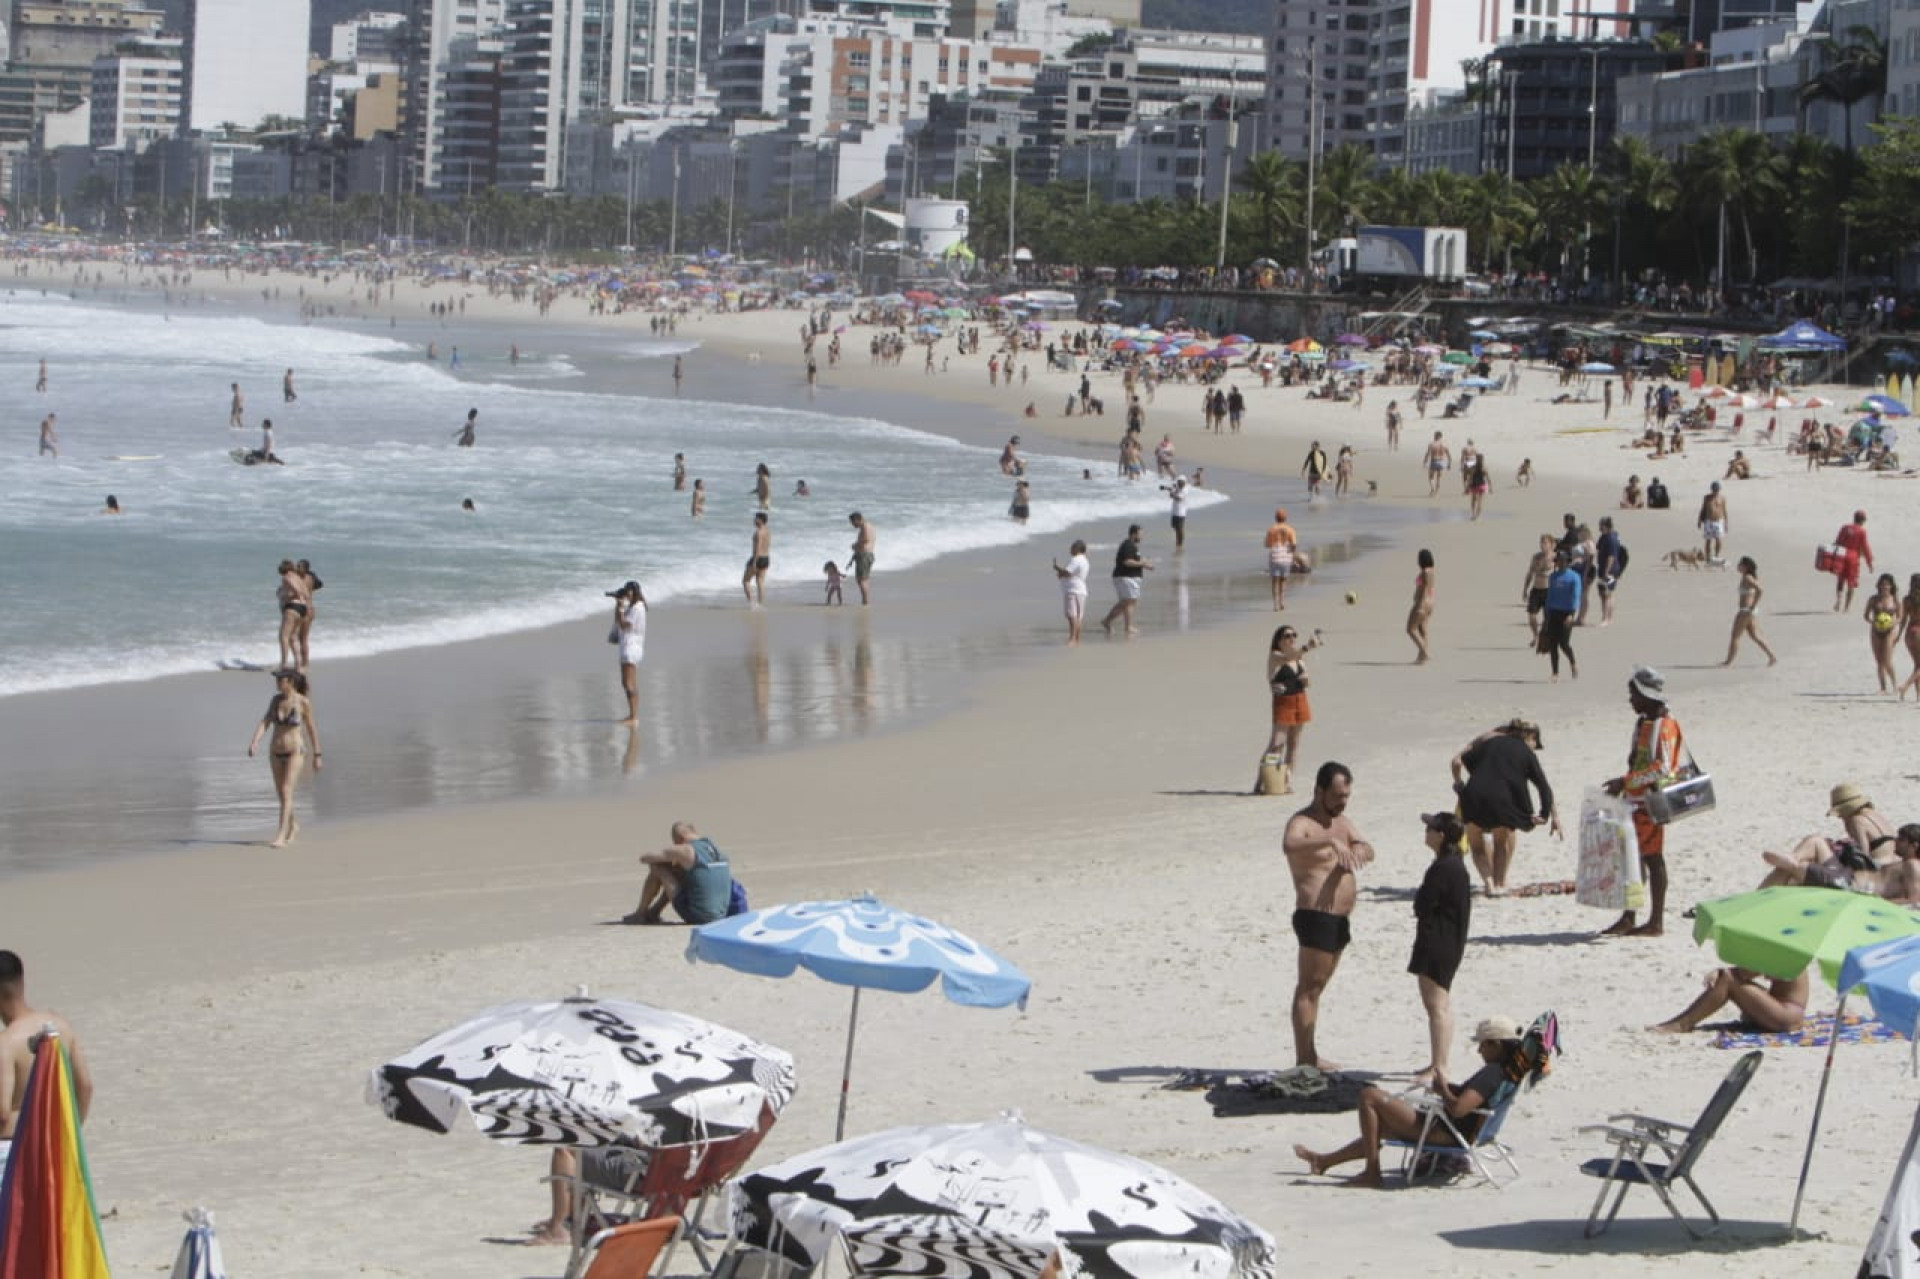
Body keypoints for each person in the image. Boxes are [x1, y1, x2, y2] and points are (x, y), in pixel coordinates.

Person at [1292, 1017, 1519, 1188]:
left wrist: (1442, 1091)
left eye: (1483, 1044)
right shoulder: (1507, 1072)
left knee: (1369, 1095)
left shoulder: (1492, 1073)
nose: (1479, 1050)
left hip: (1446, 1131)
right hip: (1459, 1130)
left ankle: (1372, 1174)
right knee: (1376, 1128)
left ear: (1497, 1044)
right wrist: (1447, 1089)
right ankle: (1323, 1162)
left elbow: (1459, 1109)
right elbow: (1470, 1100)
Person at [1283, 762, 1375, 1070]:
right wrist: (1328, 841)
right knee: (1308, 988)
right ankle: (1304, 1058)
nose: (1342, 802)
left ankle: (1311, 1055)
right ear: (1319, 791)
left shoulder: (1343, 822)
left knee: (1318, 988)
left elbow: (1367, 847)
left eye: (1346, 795)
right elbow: (1290, 844)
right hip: (1315, 915)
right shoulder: (1303, 822)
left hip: (1339, 919)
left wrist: (1360, 850)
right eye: (1336, 795)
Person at [1601, 666, 1682, 938]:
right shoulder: (1644, 722)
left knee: (1653, 859)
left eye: (1634, 694)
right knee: (1632, 859)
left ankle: (1655, 921)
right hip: (1635, 800)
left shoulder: (1664, 724)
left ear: (1647, 695)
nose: (1631, 700)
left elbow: (1663, 768)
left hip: (1650, 802)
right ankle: (1629, 916)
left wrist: (1625, 782)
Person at [0, 950, 94, 1157]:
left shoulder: (5, 1043)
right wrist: (65, 1130)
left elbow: (3, 1115)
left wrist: (36, 1122)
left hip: (14, 1153)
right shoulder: (61, 1025)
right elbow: (85, 1086)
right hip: (57, 1149)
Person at [1451, 719, 1559, 896]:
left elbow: (1457, 762)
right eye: (1535, 744)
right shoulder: (1524, 752)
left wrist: (1459, 785)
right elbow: (1543, 786)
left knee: (1476, 845)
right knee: (1500, 843)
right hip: (1502, 802)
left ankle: (1489, 884)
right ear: (1530, 736)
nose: (1534, 748)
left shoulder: (1487, 740)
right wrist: (1545, 814)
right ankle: (1499, 885)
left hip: (1472, 796)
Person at [1409, 812, 1473, 1082]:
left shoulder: (1444, 867)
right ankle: (1438, 1062)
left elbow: (1423, 905)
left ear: (1441, 835)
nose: (1427, 831)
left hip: (1438, 941)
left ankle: (1440, 1066)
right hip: (1448, 941)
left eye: (1431, 828)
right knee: (1440, 1004)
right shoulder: (1454, 865)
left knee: (1437, 1006)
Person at [1759, 783, 1900, 888]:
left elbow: (1862, 856)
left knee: (1813, 845)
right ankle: (1793, 859)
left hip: (1870, 875)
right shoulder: (1876, 816)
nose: (1840, 818)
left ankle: (1793, 860)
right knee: (1817, 845)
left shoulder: (1855, 821)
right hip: (1887, 870)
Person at [245, 668, 321, 848]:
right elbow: (265, 722)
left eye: (281, 679)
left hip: (296, 751)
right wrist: (254, 741)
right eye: (277, 679)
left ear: (291, 682)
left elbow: (311, 729)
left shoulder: (303, 702)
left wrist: (317, 754)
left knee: (286, 790)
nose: (277, 683)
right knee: (282, 794)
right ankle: (293, 825)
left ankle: (281, 834)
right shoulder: (275, 700)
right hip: (275, 752)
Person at [620, 821, 733, 925]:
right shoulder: (716, 850)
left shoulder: (686, 850)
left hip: (699, 917)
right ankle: (654, 912)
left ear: (680, 839)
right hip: (720, 915)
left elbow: (645, 858)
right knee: (681, 871)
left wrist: (672, 858)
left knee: (658, 867)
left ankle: (640, 914)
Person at [1649, 965, 1809, 1035]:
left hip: (1787, 1016)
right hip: (1786, 1010)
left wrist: (1720, 971)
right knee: (1729, 978)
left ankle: (1682, 1024)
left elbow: (1746, 972)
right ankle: (1683, 1023)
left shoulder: (1787, 951)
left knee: (1727, 979)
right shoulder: (1791, 946)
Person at [1260, 625, 1323, 796]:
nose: (1291, 638)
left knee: (1294, 744)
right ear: (1278, 640)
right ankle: (1262, 779)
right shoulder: (1276, 656)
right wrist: (1307, 647)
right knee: (1277, 743)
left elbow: (1308, 681)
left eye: (1294, 635)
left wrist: (1306, 680)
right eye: (1287, 635)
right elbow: (1289, 657)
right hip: (1283, 702)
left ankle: (1286, 781)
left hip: (1300, 700)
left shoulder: (1299, 659)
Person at [1722, 557, 1778, 667]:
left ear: (1745, 567)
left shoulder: (1747, 578)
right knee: (1755, 636)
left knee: (1735, 636)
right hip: (1749, 611)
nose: (1738, 566)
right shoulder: (1747, 577)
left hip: (1745, 611)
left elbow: (1760, 590)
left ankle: (1728, 662)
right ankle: (1772, 657)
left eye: (1740, 564)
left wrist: (1753, 605)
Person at [1537, 551, 1581, 682]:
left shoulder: (1574, 577)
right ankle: (1555, 673)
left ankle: (1573, 663)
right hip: (1553, 612)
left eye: (1563, 561)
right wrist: (1546, 615)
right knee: (1553, 644)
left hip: (1566, 613)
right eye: (1559, 561)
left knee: (1564, 643)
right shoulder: (1553, 577)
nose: (1561, 563)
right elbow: (1550, 596)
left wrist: (1571, 614)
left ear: (1568, 562)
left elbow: (1575, 596)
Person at [1101, 525, 1151, 638]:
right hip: (1126, 577)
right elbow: (1127, 562)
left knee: (1126, 603)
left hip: (1128, 577)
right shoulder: (1128, 545)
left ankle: (1108, 621)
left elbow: (1133, 561)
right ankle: (1127, 626)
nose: (1142, 536)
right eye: (1140, 534)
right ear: (1134, 534)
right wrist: (1142, 563)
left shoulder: (1132, 546)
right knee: (1128, 602)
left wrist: (1146, 565)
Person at [609, 580, 646, 726]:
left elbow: (624, 625)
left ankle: (633, 717)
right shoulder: (639, 607)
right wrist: (619, 607)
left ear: (634, 592)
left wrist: (620, 608)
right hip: (634, 648)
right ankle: (634, 715)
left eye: (628, 591)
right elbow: (621, 623)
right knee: (631, 683)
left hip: (630, 649)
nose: (626, 594)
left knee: (627, 684)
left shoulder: (636, 608)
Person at [1833, 510, 1874, 613]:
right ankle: (1847, 608)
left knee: (1841, 579)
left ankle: (1839, 599)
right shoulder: (1861, 531)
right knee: (1851, 582)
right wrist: (1869, 563)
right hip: (1853, 557)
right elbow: (1865, 547)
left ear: (1854, 518)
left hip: (1842, 555)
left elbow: (1838, 541)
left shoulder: (1845, 528)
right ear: (1863, 520)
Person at [1867, 572, 1902, 693]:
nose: (1884, 587)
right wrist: (1873, 622)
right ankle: (1883, 687)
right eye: (1882, 584)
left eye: (1887, 585)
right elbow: (1866, 615)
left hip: (1890, 631)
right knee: (1879, 660)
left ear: (1892, 586)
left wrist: (1893, 623)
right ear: (1879, 585)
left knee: (1887, 660)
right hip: (1876, 630)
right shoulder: (1873, 599)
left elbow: (1900, 617)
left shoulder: (1895, 600)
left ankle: (1894, 684)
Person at [276, 559, 311, 671]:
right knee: (293, 637)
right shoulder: (299, 578)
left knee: (283, 636)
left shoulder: (287, 577)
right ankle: (298, 665)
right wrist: (300, 597)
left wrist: (290, 596)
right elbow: (306, 593)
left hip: (292, 608)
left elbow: (296, 590)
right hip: (303, 609)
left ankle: (284, 664)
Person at [1520, 533, 1554, 645]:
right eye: (1541, 543)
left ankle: (1546, 638)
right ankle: (1536, 636)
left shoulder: (1555, 557)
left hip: (1549, 590)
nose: (1542, 545)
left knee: (1548, 618)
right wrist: (1525, 589)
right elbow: (1530, 573)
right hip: (1536, 590)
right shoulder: (1536, 557)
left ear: (1551, 544)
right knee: (1531, 616)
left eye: (1545, 543)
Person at [1593, 515, 1627, 627]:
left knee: (1607, 593)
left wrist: (1606, 572)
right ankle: (1608, 618)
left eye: (1601, 526)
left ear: (1607, 526)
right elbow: (1597, 548)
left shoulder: (1611, 539)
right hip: (1603, 568)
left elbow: (1611, 557)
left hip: (1610, 571)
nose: (1599, 528)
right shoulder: (1604, 536)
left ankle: (1606, 618)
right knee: (1605, 593)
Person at [1407, 548, 1435, 665]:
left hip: (1422, 603)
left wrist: (1420, 605)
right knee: (1422, 629)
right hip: (1429, 602)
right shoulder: (1431, 571)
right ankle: (1421, 657)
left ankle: (1424, 652)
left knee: (1410, 629)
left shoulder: (1425, 572)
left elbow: (1424, 589)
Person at [1266, 509, 1297, 612]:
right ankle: (1282, 602)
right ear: (1286, 518)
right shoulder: (1290, 529)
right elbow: (1293, 545)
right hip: (1286, 557)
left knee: (1274, 581)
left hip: (1275, 556)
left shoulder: (1271, 529)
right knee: (1283, 581)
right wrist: (1293, 556)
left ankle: (1275, 604)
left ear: (1276, 518)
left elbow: (1267, 545)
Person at [295, 558, 322, 669]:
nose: (297, 568)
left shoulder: (301, 580)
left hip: (304, 610)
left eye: (299, 566)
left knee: (302, 638)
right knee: (301, 638)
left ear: (305, 569)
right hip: (310, 609)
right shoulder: (311, 578)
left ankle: (304, 663)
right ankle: (304, 662)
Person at [742, 512, 771, 605]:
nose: (754, 520)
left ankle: (752, 603)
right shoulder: (768, 531)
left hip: (757, 558)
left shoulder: (758, 533)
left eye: (756, 518)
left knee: (745, 580)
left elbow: (757, 548)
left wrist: (754, 562)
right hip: (766, 558)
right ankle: (760, 603)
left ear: (761, 520)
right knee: (760, 582)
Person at [1697, 481, 1728, 563]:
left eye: (1717, 489)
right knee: (1708, 540)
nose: (1715, 491)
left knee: (1719, 539)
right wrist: (1699, 520)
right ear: (1712, 489)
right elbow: (1703, 509)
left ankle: (1717, 555)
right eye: (1714, 489)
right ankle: (1707, 557)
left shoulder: (1722, 498)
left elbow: (1724, 510)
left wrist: (1726, 523)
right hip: (1708, 521)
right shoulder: (1707, 498)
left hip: (1718, 521)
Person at [1423, 431, 1451, 496]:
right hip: (1441, 462)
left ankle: (1432, 489)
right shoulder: (1444, 444)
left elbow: (1428, 454)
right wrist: (1449, 463)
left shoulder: (1432, 444)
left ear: (1435, 436)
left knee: (1431, 477)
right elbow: (1448, 455)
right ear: (1441, 437)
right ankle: (1436, 492)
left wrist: (1425, 461)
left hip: (1434, 461)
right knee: (1439, 478)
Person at [1166, 475, 1190, 549]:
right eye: (1179, 481)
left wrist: (1172, 492)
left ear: (1185, 482)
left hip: (1181, 513)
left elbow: (1178, 498)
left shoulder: (1185, 490)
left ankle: (1180, 543)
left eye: (1181, 482)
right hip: (1175, 511)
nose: (1180, 483)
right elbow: (1171, 496)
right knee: (1175, 527)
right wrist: (1171, 489)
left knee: (1180, 528)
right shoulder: (1178, 488)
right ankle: (1178, 541)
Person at [1466, 453, 1490, 521]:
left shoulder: (1473, 467)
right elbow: (1488, 478)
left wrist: (1467, 487)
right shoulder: (1484, 467)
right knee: (1480, 501)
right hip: (1482, 485)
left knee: (1473, 500)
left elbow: (1470, 478)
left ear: (1476, 459)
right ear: (1483, 459)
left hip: (1474, 485)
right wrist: (1490, 487)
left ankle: (1473, 514)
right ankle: (1477, 516)